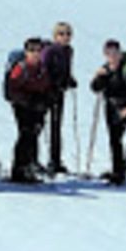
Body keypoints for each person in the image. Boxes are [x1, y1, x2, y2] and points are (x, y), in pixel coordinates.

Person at [90, 39, 126, 185]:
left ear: (120, 53)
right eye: (108, 53)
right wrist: (98, 77)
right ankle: (118, 170)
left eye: (114, 52)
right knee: (114, 138)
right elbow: (95, 88)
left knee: (124, 137)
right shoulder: (105, 69)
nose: (112, 56)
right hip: (111, 106)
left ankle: (124, 169)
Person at [6, 36, 53, 183]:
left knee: (33, 135)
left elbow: (46, 86)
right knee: (25, 135)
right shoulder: (21, 68)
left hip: (38, 107)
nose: (35, 53)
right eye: (31, 50)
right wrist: (28, 100)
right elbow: (12, 89)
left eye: (38, 50)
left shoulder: (42, 68)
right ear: (26, 52)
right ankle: (19, 169)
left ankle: (29, 166)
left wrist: (46, 99)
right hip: (23, 107)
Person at [42, 21, 78, 174]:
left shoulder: (68, 51)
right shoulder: (49, 51)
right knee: (38, 127)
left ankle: (55, 160)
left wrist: (69, 80)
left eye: (68, 33)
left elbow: (66, 70)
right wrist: (53, 84)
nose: (65, 36)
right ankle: (32, 160)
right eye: (61, 33)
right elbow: (43, 70)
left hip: (59, 93)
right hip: (45, 93)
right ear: (55, 35)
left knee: (56, 127)